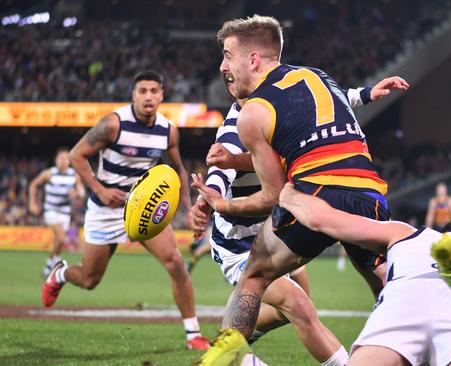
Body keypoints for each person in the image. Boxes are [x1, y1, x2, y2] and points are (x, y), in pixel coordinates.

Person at [192, 15, 408, 362]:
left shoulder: (252, 113)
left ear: (253, 59)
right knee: (382, 281)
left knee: (255, 278)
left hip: (315, 197)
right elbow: (335, 102)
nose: (222, 67)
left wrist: (220, 205)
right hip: (370, 191)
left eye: (228, 56)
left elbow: (272, 196)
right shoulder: (316, 77)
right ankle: (426, 346)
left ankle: (220, 360)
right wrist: (368, 94)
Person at [41, 70, 210, 350]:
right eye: (142, 91)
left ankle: (193, 335)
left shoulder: (168, 130)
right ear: (133, 94)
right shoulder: (113, 124)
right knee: (89, 279)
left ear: (162, 95)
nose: (148, 97)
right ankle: (60, 274)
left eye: (154, 91)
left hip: (143, 208)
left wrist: (189, 209)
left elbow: (178, 167)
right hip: (105, 209)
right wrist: (100, 190)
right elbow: (76, 155)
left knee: (176, 263)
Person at [277, 184, 451, 366]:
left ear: (440, 235)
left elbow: (325, 220)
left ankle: (249, 363)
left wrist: (289, 194)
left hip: (405, 297)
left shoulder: (410, 234)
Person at [28, 147, 85, 278]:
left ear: (69, 161)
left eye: (66, 159)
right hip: (51, 210)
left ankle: (50, 266)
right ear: (56, 160)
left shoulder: (74, 175)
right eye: (61, 158)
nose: (63, 161)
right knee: (61, 238)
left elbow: (81, 193)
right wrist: (32, 203)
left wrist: (76, 194)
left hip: (65, 213)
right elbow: (33, 185)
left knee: (59, 243)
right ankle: (51, 266)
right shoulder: (49, 173)